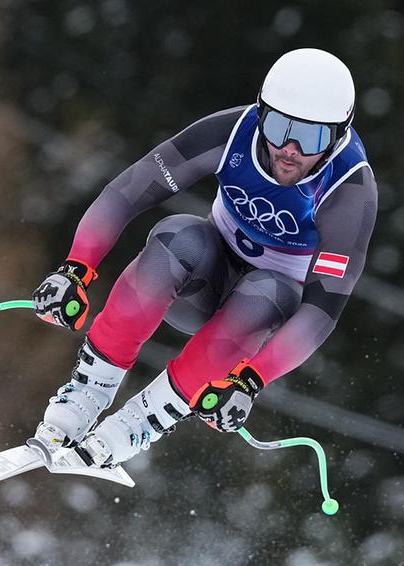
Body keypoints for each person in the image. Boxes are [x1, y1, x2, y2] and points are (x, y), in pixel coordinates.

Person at [30, 48, 378, 469]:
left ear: (338, 136)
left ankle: (137, 424)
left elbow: (322, 312)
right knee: (178, 235)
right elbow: (128, 191)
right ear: (261, 111)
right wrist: (76, 268)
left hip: (262, 308)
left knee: (266, 291)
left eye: (310, 138)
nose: (289, 148)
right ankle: (88, 391)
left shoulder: (348, 189)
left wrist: (250, 381)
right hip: (202, 280)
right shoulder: (233, 132)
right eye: (279, 126)